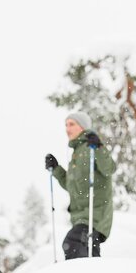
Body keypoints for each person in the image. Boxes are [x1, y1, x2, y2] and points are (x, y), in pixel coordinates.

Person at [45, 111, 116, 260]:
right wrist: (56, 169)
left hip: (95, 214)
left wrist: (98, 147)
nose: (67, 128)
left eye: (72, 124)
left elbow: (109, 168)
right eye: (66, 125)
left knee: (72, 244)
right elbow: (72, 187)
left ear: (83, 127)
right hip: (80, 217)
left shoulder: (91, 147)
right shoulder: (76, 153)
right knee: (89, 252)